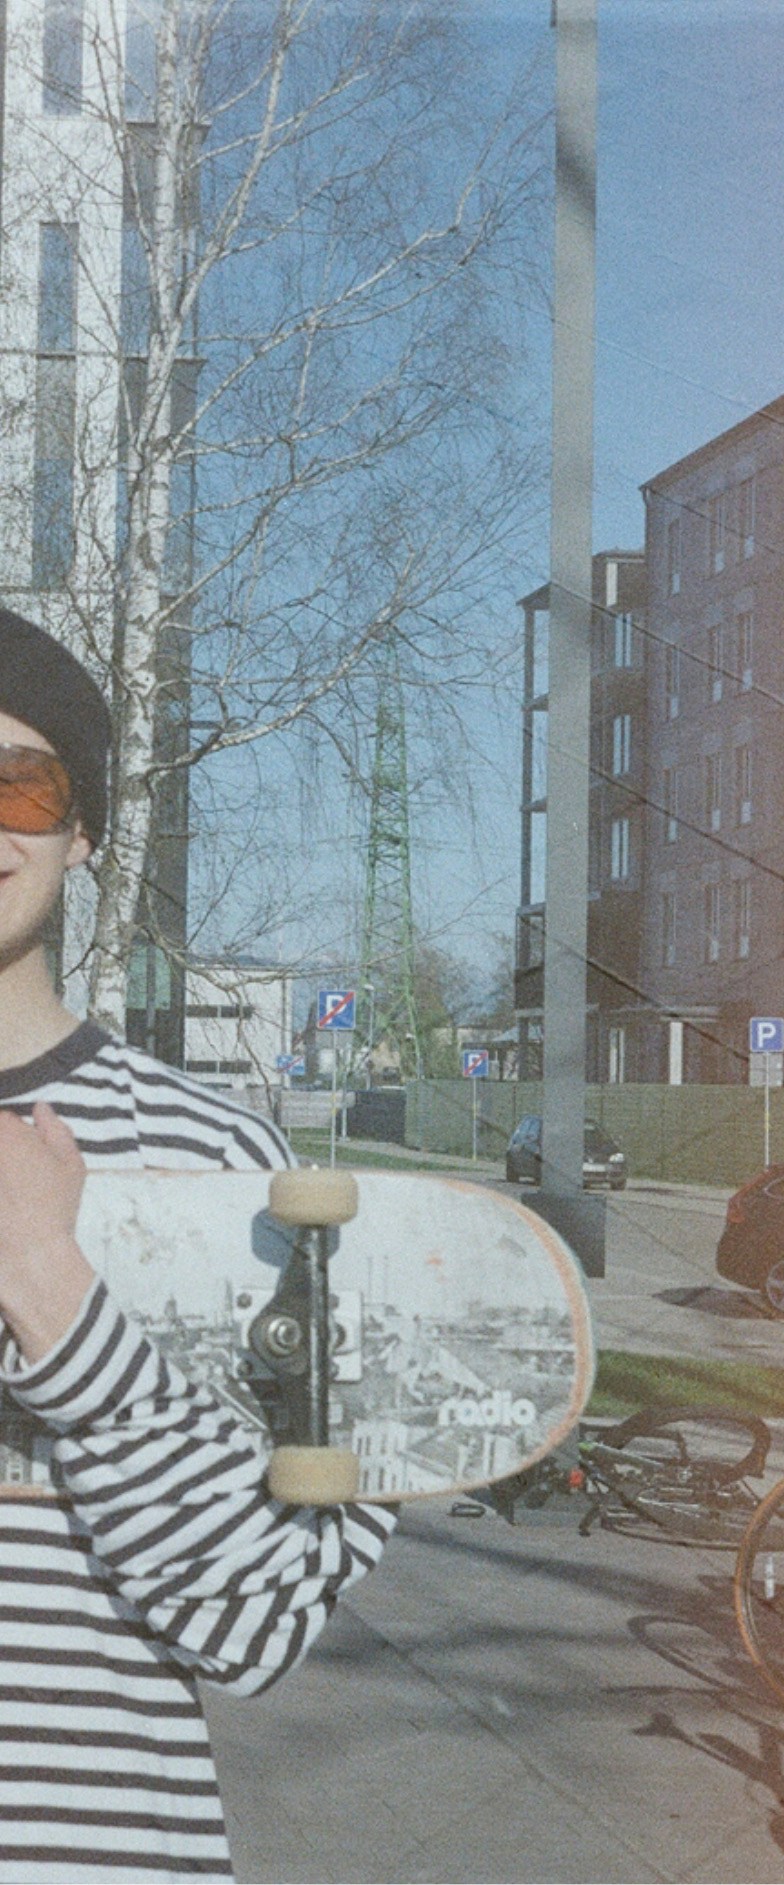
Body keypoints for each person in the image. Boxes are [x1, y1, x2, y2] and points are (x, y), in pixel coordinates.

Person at [0, 607, 391, 1880]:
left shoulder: (236, 1175)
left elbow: (257, 1623)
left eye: (23, 780)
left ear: (83, 829)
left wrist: (54, 1297)